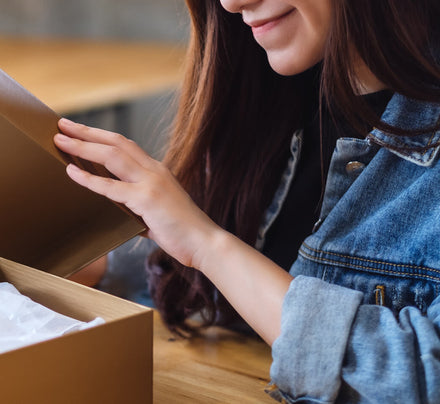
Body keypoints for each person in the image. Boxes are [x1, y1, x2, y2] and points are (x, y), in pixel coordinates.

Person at [54, 0, 440, 402]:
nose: (231, 3)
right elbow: (244, 287)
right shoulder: (272, 88)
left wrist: (207, 245)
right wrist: (96, 266)